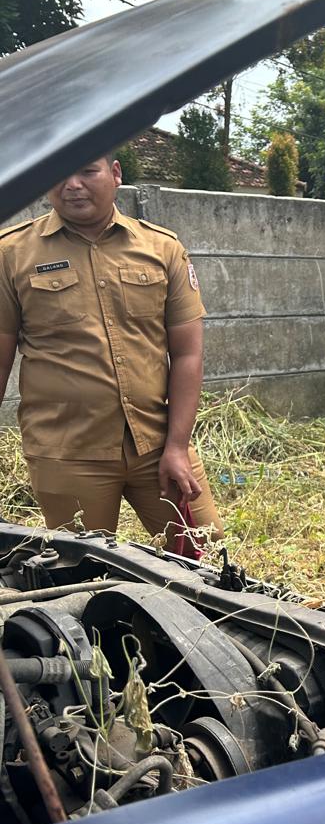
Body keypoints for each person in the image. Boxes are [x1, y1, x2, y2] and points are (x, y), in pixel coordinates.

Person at [0, 154, 222, 549]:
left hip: (156, 445)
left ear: (115, 173)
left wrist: (176, 446)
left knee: (202, 554)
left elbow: (188, 354)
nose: (72, 184)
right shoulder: (12, 254)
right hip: (68, 452)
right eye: (59, 173)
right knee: (81, 571)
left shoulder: (162, 248)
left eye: (88, 170)